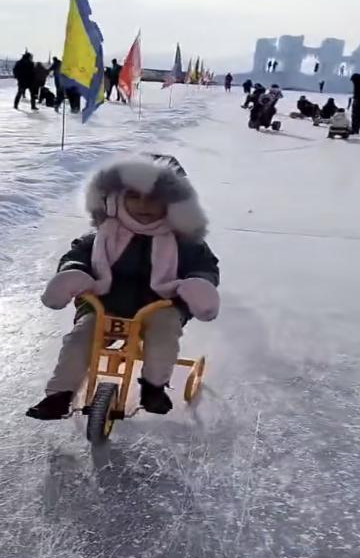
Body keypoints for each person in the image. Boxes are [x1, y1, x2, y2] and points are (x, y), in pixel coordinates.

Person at [26, 156, 221, 420]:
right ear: (115, 198)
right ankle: (59, 395)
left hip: (158, 305)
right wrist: (75, 271)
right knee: (81, 338)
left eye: (154, 198)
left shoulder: (184, 242)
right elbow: (78, 254)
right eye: (133, 196)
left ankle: (153, 386)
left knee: (164, 332)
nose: (143, 205)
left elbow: (203, 265)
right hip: (104, 303)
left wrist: (198, 283)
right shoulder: (103, 235)